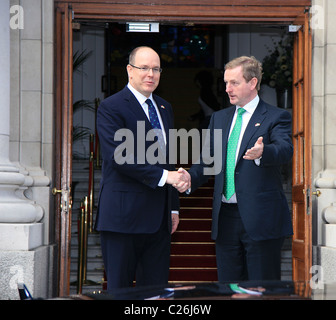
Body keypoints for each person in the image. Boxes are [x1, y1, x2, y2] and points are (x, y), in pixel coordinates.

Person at [175, 56, 293, 282]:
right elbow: (208, 162)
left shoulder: (276, 116)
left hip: (261, 219)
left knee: (261, 291)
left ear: (252, 83)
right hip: (225, 218)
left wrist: (263, 152)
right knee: (228, 289)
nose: (227, 88)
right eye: (226, 82)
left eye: (234, 83)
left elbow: (285, 149)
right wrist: (189, 177)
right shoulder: (219, 118)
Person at [96, 46, 186, 291]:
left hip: (159, 221)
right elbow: (119, 156)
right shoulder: (111, 107)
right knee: (121, 292)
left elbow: (167, 159)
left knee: (155, 293)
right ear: (129, 70)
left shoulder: (165, 108)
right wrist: (166, 177)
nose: (151, 74)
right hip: (123, 219)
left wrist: (173, 207)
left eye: (156, 69)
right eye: (144, 68)